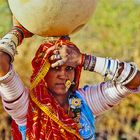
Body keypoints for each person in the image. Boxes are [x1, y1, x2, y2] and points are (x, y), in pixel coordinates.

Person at [0, 32, 140, 140]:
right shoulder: (26, 107)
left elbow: (134, 80)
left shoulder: (83, 103)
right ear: (42, 72)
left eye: (69, 68)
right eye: (55, 68)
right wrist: (18, 32)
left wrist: (84, 59)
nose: (63, 75)